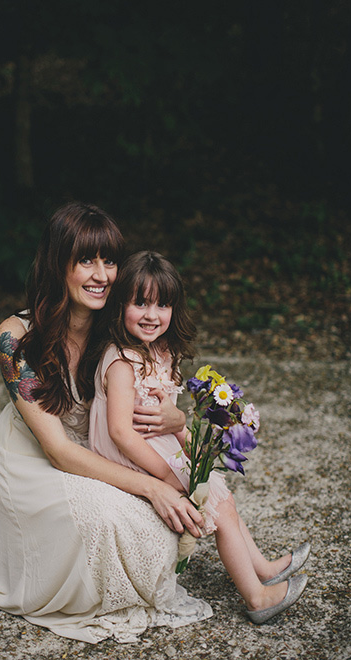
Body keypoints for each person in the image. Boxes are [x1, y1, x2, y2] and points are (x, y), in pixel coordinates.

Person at [0, 202, 214, 645]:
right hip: (35, 456)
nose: (102, 274)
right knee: (113, 519)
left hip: (97, 447)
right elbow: (58, 451)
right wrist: (154, 485)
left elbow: (158, 384)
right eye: (86, 260)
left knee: (159, 527)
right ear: (58, 263)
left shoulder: (117, 322)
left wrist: (178, 417)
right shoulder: (15, 336)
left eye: (111, 260)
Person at [89, 250, 310, 624]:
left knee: (222, 497)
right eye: (139, 303)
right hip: (128, 458)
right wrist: (166, 475)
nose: (151, 315)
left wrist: (197, 455)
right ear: (120, 305)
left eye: (162, 305)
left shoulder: (162, 352)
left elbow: (171, 422)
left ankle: (263, 568)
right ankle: (257, 598)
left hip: (155, 447)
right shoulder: (121, 362)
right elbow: (120, 433)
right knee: (218, 505)